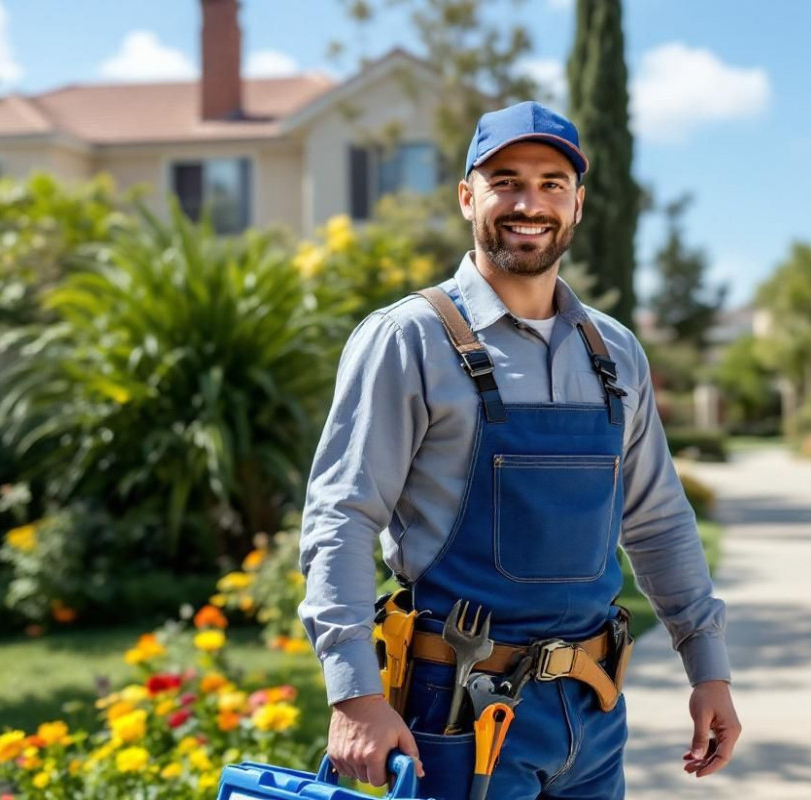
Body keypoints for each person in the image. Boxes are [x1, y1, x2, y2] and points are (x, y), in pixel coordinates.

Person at [299, 100, 739, 799]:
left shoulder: (615, 351)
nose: (529, 203)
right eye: (505, 181)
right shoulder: (409, 339)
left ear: (577, 205)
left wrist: (707, 668)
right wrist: (354, 695)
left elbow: (658, 520)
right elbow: (342, 517)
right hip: (456, 709)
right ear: (467, 197)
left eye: (551, 184)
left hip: (592, 712)